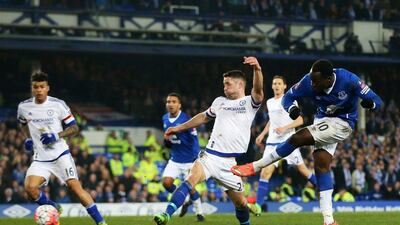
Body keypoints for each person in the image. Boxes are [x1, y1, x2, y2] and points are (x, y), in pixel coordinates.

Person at [231, 59, 382, 225]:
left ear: (329, 79)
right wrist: (292, 109)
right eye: (312, 80)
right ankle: (329, 220)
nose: (313, 84)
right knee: (321, 165)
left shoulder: (349, 79)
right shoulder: (308, 81)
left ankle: (255, 166)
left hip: (343, 123)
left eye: (316, 82)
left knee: (297, 138)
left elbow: (376, 100)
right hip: (322, 119)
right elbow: (287, 98)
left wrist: (371, 104)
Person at [154, 56, 264, 225]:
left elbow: (258, 89)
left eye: (228, 83)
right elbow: (203, 117)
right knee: (189, 180)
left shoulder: (249, 102)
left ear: (240, 85)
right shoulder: (219, 102)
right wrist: (178, 127)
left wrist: (257, 69)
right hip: (210, 157)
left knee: (241, 204)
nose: (224, 86)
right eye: (224, 83)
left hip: (230, 164)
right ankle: (166, 214)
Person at [17, 71, 107, 225]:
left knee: (76, 188)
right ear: (32, 88)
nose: (38, 90)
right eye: (35, 87)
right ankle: (54, 208)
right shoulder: (24, 107)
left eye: (42, 87)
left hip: (60, 155)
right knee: (30, 188)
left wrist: (57, 136)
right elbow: (23, 123)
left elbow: (74, 128)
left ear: (47, 88)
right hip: (41, 159)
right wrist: (28, 138)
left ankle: (101, 222)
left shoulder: (58, 104)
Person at [254, 75, 317, 211]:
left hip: (289, 141)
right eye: (274, 83)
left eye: (279, 83)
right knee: (265, 173)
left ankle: (324, 189)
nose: (276, 86)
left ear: (284, 86)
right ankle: (257, 206)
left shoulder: (289, 100)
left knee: (303, 170)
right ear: (272, 86)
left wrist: (285, 128)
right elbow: (272, 120)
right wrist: (263, 134)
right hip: (272, 143)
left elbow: (300, 120)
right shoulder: (269, 102)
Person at [161, 92, 204, 222]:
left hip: (189, 159)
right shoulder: (164, 118)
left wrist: (196, 158)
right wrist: (166, 141)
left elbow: (194, 138)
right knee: (166, 183)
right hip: (175, 159)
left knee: (190, 188)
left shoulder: (186, 119)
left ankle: (200, 213)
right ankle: (184, 200)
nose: (170, 104)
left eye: (174, 101)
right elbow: (169, 141)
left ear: (179, 105)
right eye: (168, 102)